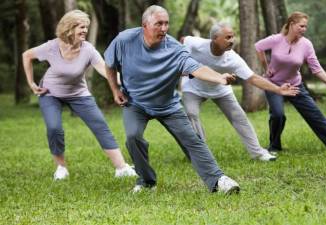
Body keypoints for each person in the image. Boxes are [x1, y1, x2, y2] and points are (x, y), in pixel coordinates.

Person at [104, 5, 239, 194]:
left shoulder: (175, 49)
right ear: (144, 25)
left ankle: (218, 180)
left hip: (167, 105)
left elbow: (196, 67)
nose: (164, 28)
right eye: (159, 24)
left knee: (192, 140)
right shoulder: (124, 40)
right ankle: (146, 181)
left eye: (166, 23)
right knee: (133, 137)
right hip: (135, 102)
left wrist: (219, 77)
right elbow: (109, 64)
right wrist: (114, 89)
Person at [22, 10, 137, 180]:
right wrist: (31, 83)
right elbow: (27, 55)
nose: (85, 30)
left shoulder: (88, 50)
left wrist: (128, 82)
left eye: (86, 27)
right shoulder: (52, 46)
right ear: (69, 28)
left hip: (78, 93)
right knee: (54, 128)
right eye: (81, 27)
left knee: (100, 125)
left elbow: (106, 71)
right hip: (50, 92)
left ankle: (121, 168)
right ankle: (61, 168)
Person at [181, 22, 299, 162]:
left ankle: (258, 153)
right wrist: (183, 58)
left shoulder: (233, 58)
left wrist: (278, 89)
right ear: (214, 38)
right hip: (193, 87)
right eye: (228, 37)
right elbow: (184, 39)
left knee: (240, 117)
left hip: (220, 89)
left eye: (233, 37)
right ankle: (201, 154)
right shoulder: (197, 44)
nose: (232, 40)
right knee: (191, 113)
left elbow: (253, 78)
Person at [254, 11, 326, 153]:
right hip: (274, 84)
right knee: (277, 114)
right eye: (301, 26)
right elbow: (258, 46)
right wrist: (266, 67)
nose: (304, 29)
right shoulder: (276, 39)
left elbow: (316, 69)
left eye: (305, 27)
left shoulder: (306, 44)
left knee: (314, 114)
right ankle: (274, 146)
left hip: (295, 85)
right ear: (292, 24)